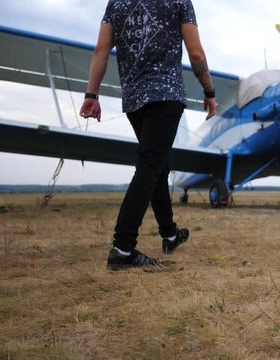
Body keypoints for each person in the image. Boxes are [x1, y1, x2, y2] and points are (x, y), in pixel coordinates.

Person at [79, 0, 217, 270]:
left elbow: (101, 50)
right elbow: (197, 55)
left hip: (134, 100)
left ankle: (170, 234)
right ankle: (123, 248)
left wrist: (91, 95)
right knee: (151, 164)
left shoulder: (115, 3)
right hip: (166, 95)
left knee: (158, 165)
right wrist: (209, 92)